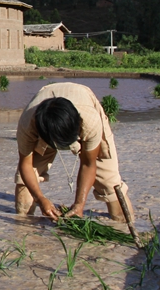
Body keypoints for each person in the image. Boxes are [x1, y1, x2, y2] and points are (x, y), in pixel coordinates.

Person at [14, 82, 132, 222]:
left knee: (108, 181)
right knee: (24, 182)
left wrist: (79, 204)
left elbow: (88, 164)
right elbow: (26, 165)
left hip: (82, 102)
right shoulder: (27, 124)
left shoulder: (90, 121)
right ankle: (23, 225)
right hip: (45, 123)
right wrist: (41, 199)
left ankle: (123, 225)